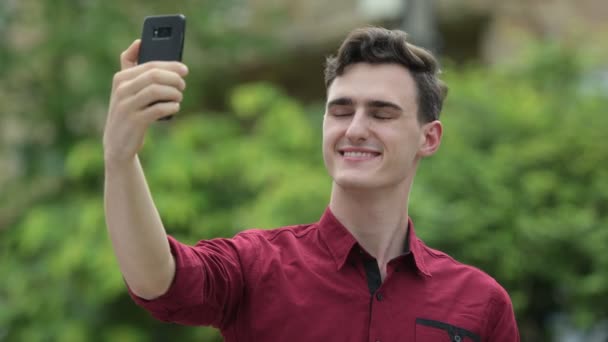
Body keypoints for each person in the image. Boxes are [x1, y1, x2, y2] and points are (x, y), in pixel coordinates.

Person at [103, 27, 520, 341]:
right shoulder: (256, 267)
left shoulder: (481, 303)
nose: (355, 129)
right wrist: (120, 157)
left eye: (381, 113)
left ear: (428, 138)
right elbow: (158, 280)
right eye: (341, 110)